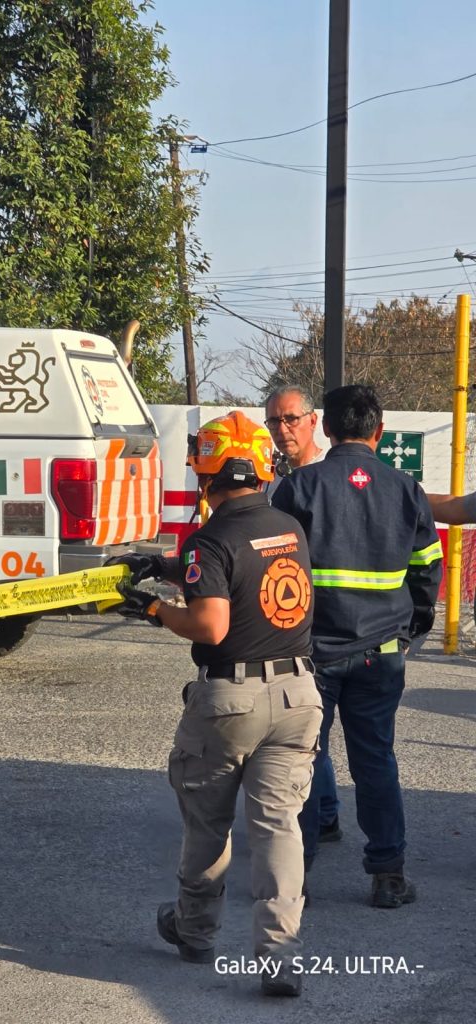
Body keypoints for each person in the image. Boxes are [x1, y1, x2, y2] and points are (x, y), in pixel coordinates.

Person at [110, 411, 322, 998]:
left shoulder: (209, 539)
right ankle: (280, 956)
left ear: (208, 475)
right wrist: (168, 567)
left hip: (231, 701)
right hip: (298, 694)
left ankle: (196, 931)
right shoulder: (288, 526)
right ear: (260, 469)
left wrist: (155, 608)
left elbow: (211, 622)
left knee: (208, 823)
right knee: (279, 827)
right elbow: (241, 573)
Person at [271, 385, 443, 909]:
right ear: (380, 432)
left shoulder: (298, 487)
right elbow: (427, 571)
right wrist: (410, 632)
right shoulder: (407, 490)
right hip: (382, 653)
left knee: (302, 761)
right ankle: (388, 875)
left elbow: (275, 572)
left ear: (325, 429)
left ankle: (294, 880)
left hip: (310, 654)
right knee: (376, 760)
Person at [264, 385, 341, 842]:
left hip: (328, 628)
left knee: (308, 732)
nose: (283, 428)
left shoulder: (327, 478)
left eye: (291, 418)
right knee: (308, 730)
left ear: (314, 422)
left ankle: (313, 826)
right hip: (289, 622)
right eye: (274, 421)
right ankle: (325, 812)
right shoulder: (275, 481)